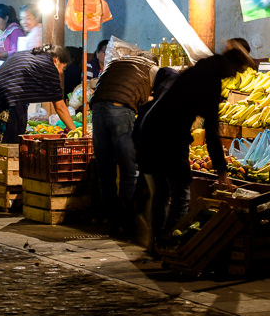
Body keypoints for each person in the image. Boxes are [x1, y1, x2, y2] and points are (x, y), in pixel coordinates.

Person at [136, 41, 255, 249]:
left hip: (152, 130)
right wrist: (221, 169)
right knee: (181, 192)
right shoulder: (210, 81)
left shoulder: (202, 69)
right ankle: (171, 242)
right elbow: (211, 130)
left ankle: (158, 241)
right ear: (231, 66)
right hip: (169, 135)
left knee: (162, 192)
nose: (235, 75)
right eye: (237, 70)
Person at [0, 45, 77, 189]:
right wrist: (74, 131)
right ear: (56, 60)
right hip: (4, 100)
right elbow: (60, 106)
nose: (61, 72)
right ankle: (5, 185)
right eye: (63, 68)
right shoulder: (48, 65)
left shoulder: (27, 54)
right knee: (8, 144)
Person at [89, 52, 159, 237]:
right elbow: (155, 100)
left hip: (97, 108)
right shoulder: (151, 68)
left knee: (106, 169)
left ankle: (110, 219)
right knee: (130, 170)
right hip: (120, 109)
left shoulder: (116, 63)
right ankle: (124, 222)